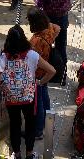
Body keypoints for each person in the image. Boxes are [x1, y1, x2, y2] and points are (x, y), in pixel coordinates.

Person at [0, 25, 56, 159]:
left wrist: (5, 85)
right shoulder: (32, 55)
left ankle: (16, 154)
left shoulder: (4, 57)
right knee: (30, 124)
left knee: (15, 124)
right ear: (23, 39)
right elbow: (52, 71)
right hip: (29, 97)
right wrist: (39, 82)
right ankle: (29, 153)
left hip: (11, 98)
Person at [35, 0, 74, 84]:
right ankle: (62, 78)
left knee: (44, 46)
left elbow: (39, 2)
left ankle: (45, 75)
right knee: (61, 47)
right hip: (63, 17)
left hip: (48, 19)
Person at [27, 7, 61, 140]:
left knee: (38, 103)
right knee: (45, 97)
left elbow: (31, 57)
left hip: (38, 74)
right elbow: (58, 28)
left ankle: (38, 131)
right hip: (45, 70)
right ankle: (49, 124)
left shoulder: (36, 41)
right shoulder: (49, 30)